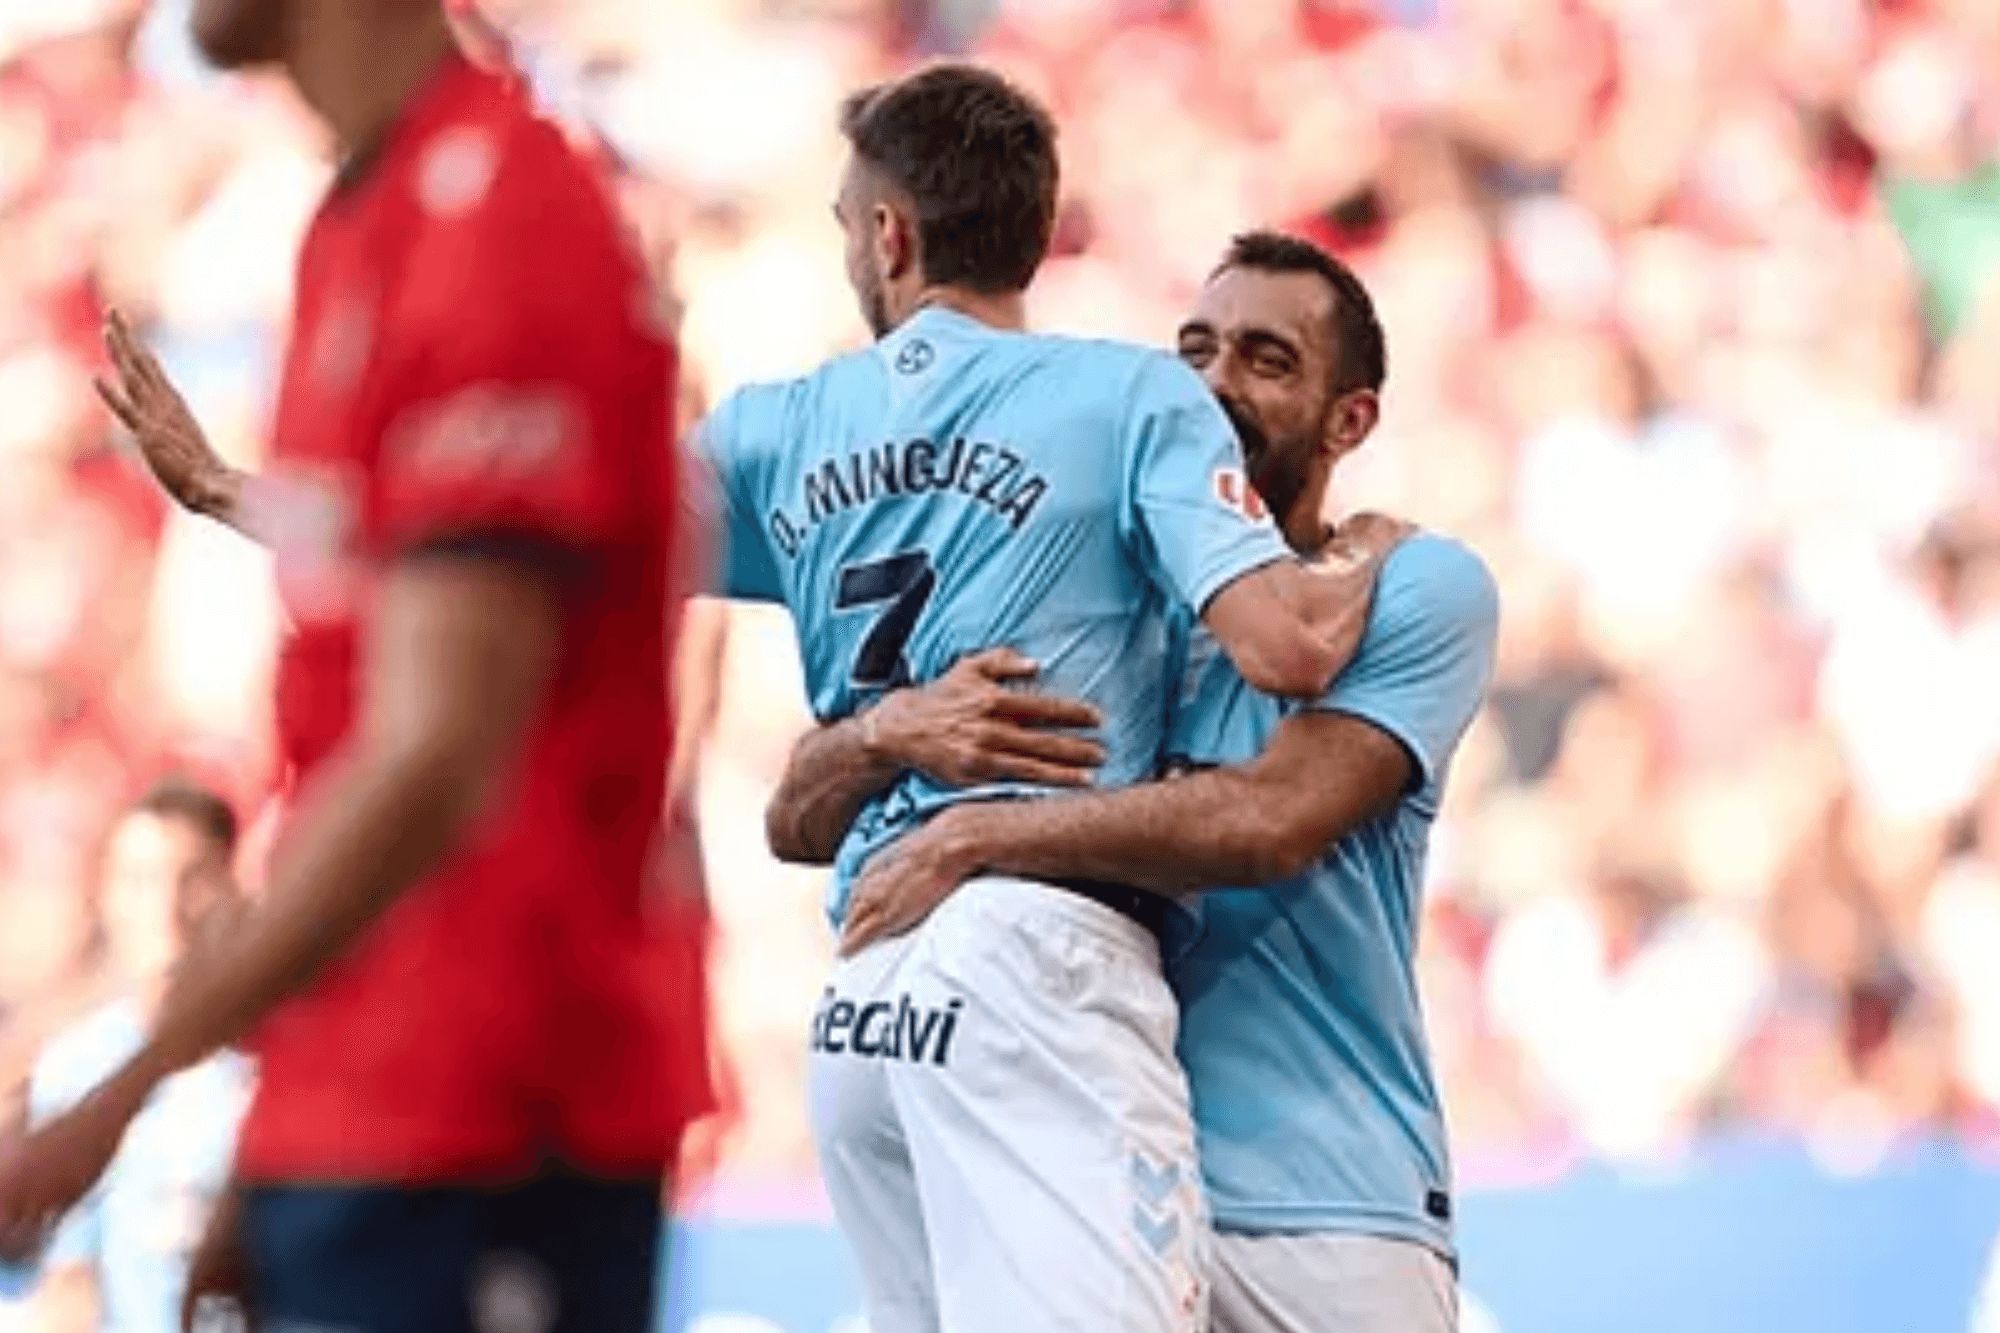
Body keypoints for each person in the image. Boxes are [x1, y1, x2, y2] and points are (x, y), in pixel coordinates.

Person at [0, 3, 709, 1331]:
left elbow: (439, 759)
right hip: (371, 1107)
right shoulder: (355, 218)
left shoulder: (503, 216)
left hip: (498, 1111)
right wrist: (267, 1153)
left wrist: (117, 1092)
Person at [699, 62, 1394, 1333]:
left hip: (860, 992)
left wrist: (237, 485)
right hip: (1036, 959)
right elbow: (1287, 651)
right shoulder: (1126, 394)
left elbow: (536, 538)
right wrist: (1362, 551)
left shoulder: (771, 426)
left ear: (889, 236)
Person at [790, 231, 1498, 1333]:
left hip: (1320, 1200)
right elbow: (794, 813)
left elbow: (1271, 820)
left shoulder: (1415, 586)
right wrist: (888, 730)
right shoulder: (1103, 594)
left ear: (1346, 419)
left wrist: (977, 837)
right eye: (1195, 350)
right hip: (1079, 1163)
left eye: (1266, 360)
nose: (1213, 382)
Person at [28, 781, 251, 1333]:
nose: (166, 908)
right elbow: (69, 1278)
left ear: (233, 888)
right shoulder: (76, 1065)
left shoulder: (273, 1059)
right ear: (104, 895)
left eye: (193, 878)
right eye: (139, 880)